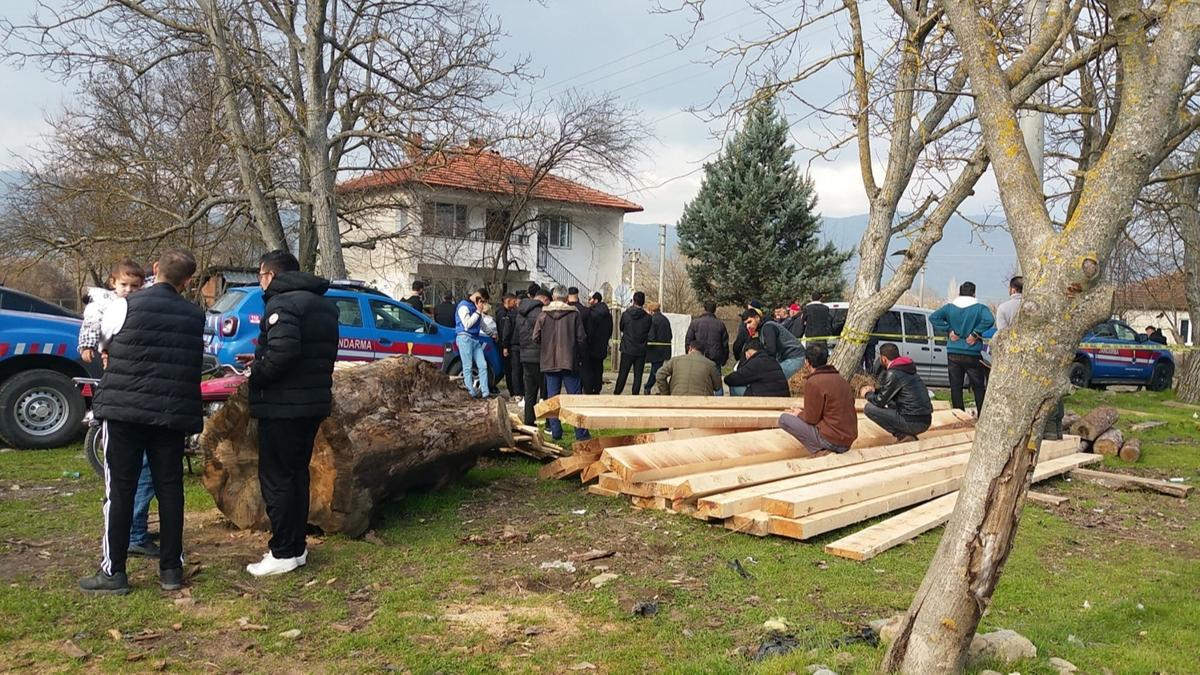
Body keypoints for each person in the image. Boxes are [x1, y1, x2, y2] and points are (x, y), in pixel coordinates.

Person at [80, 249, 204, 595]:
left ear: (154, 270)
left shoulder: (123, 305)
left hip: (124, 411)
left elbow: (104, 341)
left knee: (119, 490)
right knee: (170, 489)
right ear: (188, 281)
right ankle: (170, 570)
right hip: (170, 413)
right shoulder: (195, 315)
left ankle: (114, 571)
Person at [242, 251, 338, 577]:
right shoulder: (322, 304)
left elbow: (283, 352)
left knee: (277, 479)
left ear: (269, 275)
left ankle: (282, 550)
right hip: (311, 403)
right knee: (297, 475)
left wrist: (256, 374)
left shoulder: (282, 304)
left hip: (283, 406)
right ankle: (296, 548)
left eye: (260, 277)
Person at [78, 260, 162, 558]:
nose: (128, 290)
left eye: (134, 285)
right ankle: (132, 533)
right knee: (138, 471)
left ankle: (132, 528)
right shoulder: (106, 305)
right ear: (113, 284)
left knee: (135, 472)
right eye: (123, 285)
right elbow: (91, 326)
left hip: (127, 396)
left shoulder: (142, 303)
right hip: (131, 400)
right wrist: (93, 347)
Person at [992, 276, 1065, 439]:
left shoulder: (1004, 308)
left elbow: (1003, 334)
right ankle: (1052, 430)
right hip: (1038, 357)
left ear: (1012, 289)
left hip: (1015, 359)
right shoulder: (1040, 308)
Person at [778, 344, 858, 454]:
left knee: (784, 419)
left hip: (832, 440)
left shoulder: (814, 382)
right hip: (848, 440)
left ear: (807, 362)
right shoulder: (841, 380)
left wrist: (799, 414)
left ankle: (819, 450)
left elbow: (811, 419)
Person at [533, 285, 590, 441]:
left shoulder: (543, 314)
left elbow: (535, 337)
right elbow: (581, 338)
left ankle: (556, 432)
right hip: (569, 360)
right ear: (566, 298)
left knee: (552, 399)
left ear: (553, 296)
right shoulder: (574, 314)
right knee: (575, 398)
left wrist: (545, 346)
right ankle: (581, 433)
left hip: (549, 361)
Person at [929, 281, 995, 413]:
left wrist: (948, 330)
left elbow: (933, 317)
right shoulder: (980, 308)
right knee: (978, 387)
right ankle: (981, 414)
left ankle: (958, 413)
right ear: (974, 293)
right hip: (972, 352)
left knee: (955, 387)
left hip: (953, 351)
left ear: (959, 293)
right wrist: (975, 333)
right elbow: (990, 320)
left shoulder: (949, 308)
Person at [860, 343, 932, 442]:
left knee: (869, 408)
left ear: (883, 359)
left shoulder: (893, 373)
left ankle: (902, 435)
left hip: (912, 421)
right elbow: (890, 392)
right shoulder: (906, 368)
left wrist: (867, 394)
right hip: (925, 420)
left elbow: (880, 401)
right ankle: (907, 434)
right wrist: (875, 391)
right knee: (890, 402)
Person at [517, 287, 550, 425]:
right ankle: (550, 423)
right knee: (546, 391)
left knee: (529, 391)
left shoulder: (520, 312)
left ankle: (529, 421)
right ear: (544, 299)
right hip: (540, 356)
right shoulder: (541, 313)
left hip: (525, 355)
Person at [741, 309, 806, 379]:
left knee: (771, 378)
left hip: (794, 357)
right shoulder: (762, 329)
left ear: (757, 318)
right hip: (786, 358)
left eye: (750, 322)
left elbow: (771, 352)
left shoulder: (768, 327)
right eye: (746, 324)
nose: (748, 326)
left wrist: (755, 354)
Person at [455, 288, 493, 399]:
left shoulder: (475, 308)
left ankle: (485, 392)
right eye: (482, 301)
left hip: (475, 339)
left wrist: (492, 334)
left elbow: (480, 323)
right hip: (465, 337)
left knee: (483, 365)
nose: (483, 304)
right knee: (467, 366)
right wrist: (477, 311)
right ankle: (470, 392)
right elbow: (467, 324)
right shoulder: (463, 306)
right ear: (478, 297)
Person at [723, 339, 790, 397]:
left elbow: (736, 378)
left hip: (766, 400)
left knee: (734, 387)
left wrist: (725, 379)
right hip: (783, 398)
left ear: (748, 352)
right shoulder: (771, 360)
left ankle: (738, 409)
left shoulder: (755, 362)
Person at [614, 291, 652, 395]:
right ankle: (635, 395)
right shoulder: (648, 318)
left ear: (633, 300)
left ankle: (617, 393)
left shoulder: (626, 314)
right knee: (638, 375)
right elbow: (648, 331)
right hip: (641, 349)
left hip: (627, 348)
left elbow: (621, 327)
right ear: (643, 302)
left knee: (623, 374)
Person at [656, 342, 723, 396]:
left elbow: (659, 375)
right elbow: (718, 386)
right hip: (702, 404)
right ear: (704, 353)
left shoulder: (675, 360)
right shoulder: (710, 364)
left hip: (677, 400)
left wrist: (666, 394)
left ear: (690, 349)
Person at [685, 300, 730, 375]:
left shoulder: (695, 323)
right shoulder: (720, 325)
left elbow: (688, 341)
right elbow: (725, 345)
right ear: (715, 310)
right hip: (715, 361)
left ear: (704, 308)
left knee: (699, 382)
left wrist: (688, 354)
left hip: (698, 359)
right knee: (715, 384)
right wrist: (724, 360)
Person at [582, 292, 612, 394]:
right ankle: (597, 388)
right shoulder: (608, 314)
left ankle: (589, 389)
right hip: (602, 346)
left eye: (590, 299)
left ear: (596, 300)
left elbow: (589, 330)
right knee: (599, 369)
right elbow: (610, 330)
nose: (589, 301)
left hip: (590, 346)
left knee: (588, 369)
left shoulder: (591, 313)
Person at [643, 301, 673, 394]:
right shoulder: (665, 319)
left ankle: (662, 389)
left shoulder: (653, 320)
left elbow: (651, 337)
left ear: (651, 310)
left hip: (655, 350)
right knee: (656, 370)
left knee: (657, 372)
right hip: (665, 350)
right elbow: (670, 335)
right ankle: (648, 386)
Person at [498, 293, 523, 397]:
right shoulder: (504, 314)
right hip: (512, 346)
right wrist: (505, 346)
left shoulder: (510, 314)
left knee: (515, 370)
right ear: (508, 301)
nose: (515, 303)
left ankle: (516, 392)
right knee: (513, 370)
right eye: (513, 301)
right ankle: (515, 392)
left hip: (512, 346)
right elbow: (505, 331)